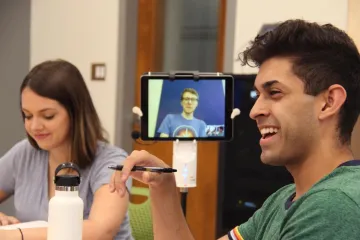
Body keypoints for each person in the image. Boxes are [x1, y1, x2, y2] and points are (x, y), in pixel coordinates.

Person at [110, 19, 360, 239]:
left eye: (274, 93)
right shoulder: (285, 199)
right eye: (258, 94)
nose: (254, 111)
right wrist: (163, 187)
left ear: (329, 102)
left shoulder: (333, 205)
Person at [0, 60, 134, 240]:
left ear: (76, 113)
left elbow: (101, 231)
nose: (34, 126)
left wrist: (14, 235)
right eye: (27, 116)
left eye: (48, 116)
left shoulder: (112, 161)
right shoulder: (23, 153)